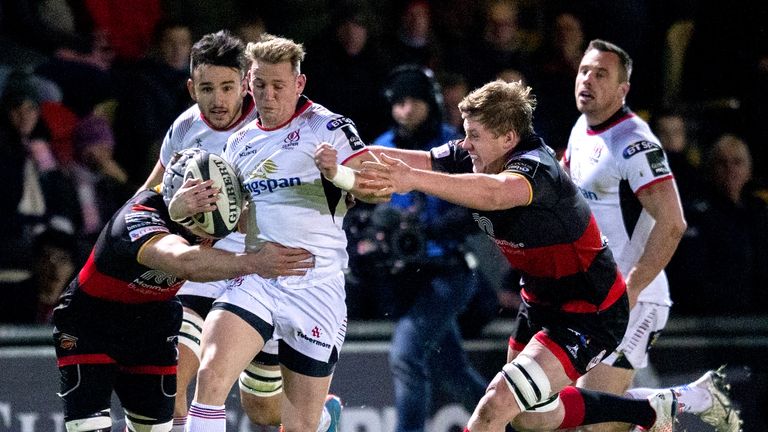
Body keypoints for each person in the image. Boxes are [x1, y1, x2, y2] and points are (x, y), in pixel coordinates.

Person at [337, 79, 682, 432]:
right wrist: (346, 155)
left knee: (493, 406)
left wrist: (413, 180)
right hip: (539, 301)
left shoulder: (537, 168)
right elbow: (423, 159)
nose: (465, 145)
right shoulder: (482, 155)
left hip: (588, 310)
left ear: (507, 138)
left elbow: (496, 194)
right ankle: (649, 411)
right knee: (531, 418)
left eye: (474, 136)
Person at [138, 30, 342, 432]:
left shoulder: (273, 120)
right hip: (206, 268)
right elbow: (149, 197)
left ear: (245, 83)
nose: (218, 100)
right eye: (207, 88)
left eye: (227, 87)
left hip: (263, 269)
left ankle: (321, 419)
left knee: (262, 410)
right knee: (174, 385)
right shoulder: (184, 129)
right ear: (192, 87)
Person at [185, 33, 386, 432]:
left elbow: (380, 188)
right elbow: (233, 217)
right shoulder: (238, 143)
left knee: (292, 425)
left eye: (279, 86)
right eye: (260, 85)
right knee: (209, 378)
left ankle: (322, 417)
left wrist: (337, 174)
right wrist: (196, 213)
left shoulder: (327, 126)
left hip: (318, 289)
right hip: (258, 280)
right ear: (248, 84)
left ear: (299, 84)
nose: (269, 96)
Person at [52, 149, 314, 432]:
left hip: (152, 324)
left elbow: (272, 207)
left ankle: (321, 417)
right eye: (198, 220)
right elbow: (185, 263)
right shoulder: (137, 216)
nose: (207, 236)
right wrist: (255, 262)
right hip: (91, 323)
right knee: (88, 428)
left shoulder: (216, 210)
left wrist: (336, 191)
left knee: (156, 428)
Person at [563, 39, 741, 432]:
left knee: (593, 422)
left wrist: (629, 291)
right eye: (584, 70)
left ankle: (687, 400)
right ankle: (684, 400)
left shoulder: (634, 143)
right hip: (592, 295)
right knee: (565, 410)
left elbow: (673, 223)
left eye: (601, 74)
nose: (587, 79)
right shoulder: (582, 127)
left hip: (633, 298)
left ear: (623, 90)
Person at [368, 65, 488, 432]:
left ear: (430, 103)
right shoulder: (381, 146)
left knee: (406, 355)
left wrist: (429, 226)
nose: (404, 110)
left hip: (448, 271)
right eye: (398, 103)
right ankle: (513, 426)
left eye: (413, 102)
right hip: (403, 277)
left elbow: (477, 210)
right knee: (452, 372)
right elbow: (364, 210)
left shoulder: (455, 145)